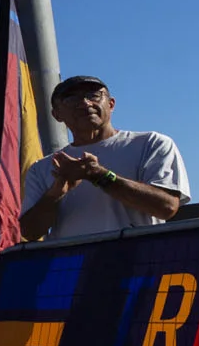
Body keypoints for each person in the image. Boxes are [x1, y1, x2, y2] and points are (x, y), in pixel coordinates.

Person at [21, 76, 188, 241]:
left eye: (94, 95)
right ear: (56, 115)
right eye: (71, 99)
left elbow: (166, 207)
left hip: (136, 261)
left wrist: (99, 175)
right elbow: (30, 232)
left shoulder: (151, 144)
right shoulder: (42, 168)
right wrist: (56, 192)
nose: (85, 103)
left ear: (111, 104)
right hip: (73, 265)